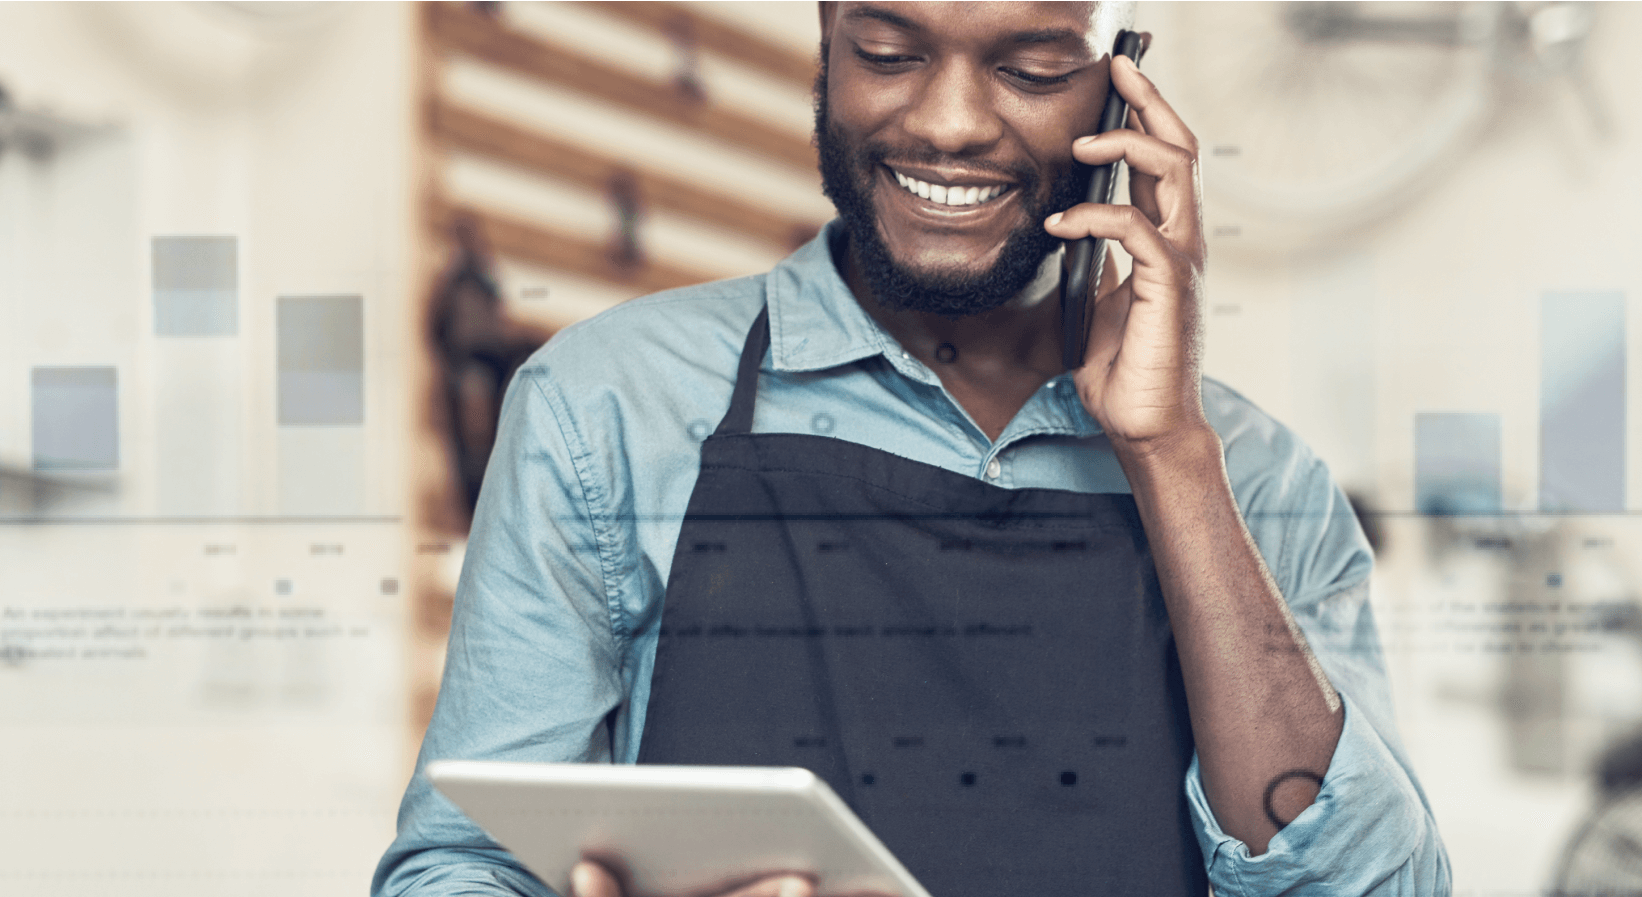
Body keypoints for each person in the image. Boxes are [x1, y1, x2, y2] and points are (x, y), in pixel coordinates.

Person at [374, 2, 1450, 895]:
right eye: (886, 54)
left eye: (1030, 68)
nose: (946, 122)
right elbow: (464, 864)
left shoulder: (1261, 484)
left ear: (1125, 83)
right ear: (826, 44)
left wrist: (1170, 454)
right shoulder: (608, 406)